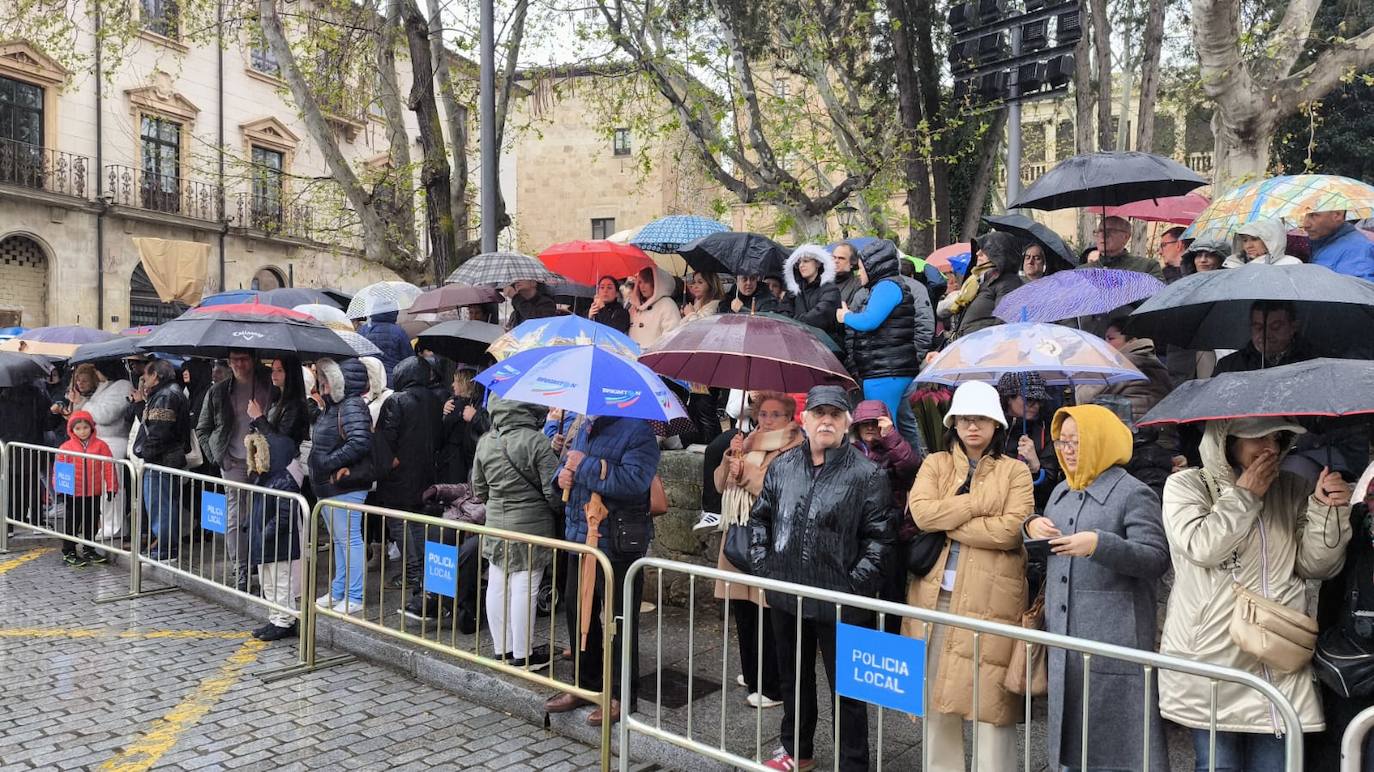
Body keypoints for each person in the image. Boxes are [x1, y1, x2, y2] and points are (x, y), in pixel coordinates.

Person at [1159, 417, 1351, 769]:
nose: (1270, 448)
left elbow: (1316, 565)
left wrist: (1329, 512)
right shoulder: (1186, 485)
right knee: (1218, 766)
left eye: (1277, 438)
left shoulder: (1291, 487)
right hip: (1213, 659)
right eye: (1258, 438)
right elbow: (1202, 547)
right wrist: (1244, 496)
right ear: (1227, 440)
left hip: (1278, 658)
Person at [747, 385, 892, 772]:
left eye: (835, 414)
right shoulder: (783, 466)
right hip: (787, 593)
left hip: (841, 600)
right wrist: (765, 567)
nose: (826, 421)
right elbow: (760, 519)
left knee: (848, 690)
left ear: (847, 423)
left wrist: (852, 586)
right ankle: (797, 751)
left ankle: (853, 764)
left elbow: (880, 541)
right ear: (805, 419)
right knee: (793, 679)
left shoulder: (868, 474)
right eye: (819, 413)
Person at [1024, 405, 1170, 771]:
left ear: (1101, 441)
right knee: (1071, 747)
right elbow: (1047, 547)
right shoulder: (1061, 490)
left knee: (1117, 751)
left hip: (1114, 643)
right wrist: (1031, 527)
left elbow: (1155, 558)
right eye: (1062, 442)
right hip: (1065, 642)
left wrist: (1100, 545)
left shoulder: (1133, 493)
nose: (1068, 450)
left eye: (1077, 441)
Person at [904, 380, 1032, 772]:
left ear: (996, 424)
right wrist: (979, 504)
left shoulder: (1015, 471)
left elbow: (1011, 531)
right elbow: (922, 514)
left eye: (981, 419)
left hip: (994, 601)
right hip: (935, 597)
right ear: (954, 424)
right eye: (964, 419)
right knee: (936, 699)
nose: (972, 426)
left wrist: (949, 520)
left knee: (992, 706)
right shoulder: (935, 464)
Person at [545, 412, 660, 727]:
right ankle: (586, 684)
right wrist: (560, 479)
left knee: (619, 621)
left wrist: (584, 466)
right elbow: (567, 468)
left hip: (618, 545)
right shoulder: (583, 427)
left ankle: (622, 695)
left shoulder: (639, 431)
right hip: (581, 538)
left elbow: (635, 481)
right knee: (577, 612)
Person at [713, 391, 802, 709]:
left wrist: (744, 473)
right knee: (744, 611)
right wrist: (730, 458)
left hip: (768, 539)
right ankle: (753, 673)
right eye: (763, 414)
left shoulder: (794, 448)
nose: (768, 420)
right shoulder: (747, 442)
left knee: (768, 616)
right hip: (739, 533)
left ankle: (772, 685)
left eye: (776, 414)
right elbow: (720, 485)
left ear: (789, 417)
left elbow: (777, 490)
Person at [471, 396, 561, 670]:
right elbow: (553, 492)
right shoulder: (537, 441)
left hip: (495, 523)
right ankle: (523, 655)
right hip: (532, 524)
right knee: (526, 586)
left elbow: (479, 488)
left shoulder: (486, 441)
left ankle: (502, 650)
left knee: (497, 583)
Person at [196, 349, 273, 589]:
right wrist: (218, 457)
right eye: (234, 360)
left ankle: (261, 563)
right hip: (233, 462)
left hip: (263, 461)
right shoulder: (218, 391)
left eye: (244, 359)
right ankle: (240, 567)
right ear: (228, 362)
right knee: (234, 517)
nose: (239, 364)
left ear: (253, 360)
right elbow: (203, 428)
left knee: (262, 514)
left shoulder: (269, 384)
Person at [374, 357, 442, 621]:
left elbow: (385, 439)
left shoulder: (397, 401)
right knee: (419, 528)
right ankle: (424, 579)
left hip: (399, 478)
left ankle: (415, 575)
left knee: (400, 527)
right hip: (425, 475)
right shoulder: (434, 400)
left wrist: (388, 464)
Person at [309, 357, 375, 614]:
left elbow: (360, 441)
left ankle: (354, 595)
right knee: (341, 540)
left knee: (349, 540)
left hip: (343, 485)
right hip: (331, 484)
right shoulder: (336, 405)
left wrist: (328, 462)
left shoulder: (350, 405)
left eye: (326, 377)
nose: (322, 382)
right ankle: (339, 590)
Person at [849, 399, 920, 634]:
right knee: (860, 590)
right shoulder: (848, 452)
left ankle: (890, 639)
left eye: (875, 422)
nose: (870, 427)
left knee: (892, 592)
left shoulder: (895, 449)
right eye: (865, 423)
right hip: (858, 533)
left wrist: (891, 437)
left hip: (892, 533)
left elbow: (911, 467)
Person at [836, 238, 919, 421]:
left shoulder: (886, 287)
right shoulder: (890, 285)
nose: (859, 273)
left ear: (873, 267)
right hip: (892, 369)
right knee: (900, 425)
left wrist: (845, 316)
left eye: (861, 268)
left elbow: (869, 321)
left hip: (885, 372)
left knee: (882, 424)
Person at [243, 425, 303, 641]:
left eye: (257, 453)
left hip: (278, 541)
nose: (254, 458)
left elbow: (284, 515)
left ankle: (285, 621)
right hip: (265, 540)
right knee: (267, 582)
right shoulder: (263, 479)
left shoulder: (283, 481)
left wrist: (266, 532)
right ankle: (275, 617)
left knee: (281, 581)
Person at [133, 359, 191, 561]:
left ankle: (165, 549)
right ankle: (165, 547)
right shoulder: (168, 392)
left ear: (155, 376)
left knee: (161, 506)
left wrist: (143, 451)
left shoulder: (165, 395)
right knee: (165, 505)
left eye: (145, 376)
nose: (143, 380)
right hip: (166, 458)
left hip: (161, 460)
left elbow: (159, 432)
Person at [1077, 316, 1174, 423]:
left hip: (1130, 428)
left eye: (1111, 339)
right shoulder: (1156, 363)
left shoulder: (1121, 365)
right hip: (1160, 426)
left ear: (1132, 341)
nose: (1105, 344)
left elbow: (1083, 397)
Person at [52, 411, 118, 567]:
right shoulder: (66, 447)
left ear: (92, 427)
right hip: (73, 494)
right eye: (78, 428)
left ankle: (89, 549)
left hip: (93, 492)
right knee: (72, 523)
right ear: (72, 430)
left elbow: (109, 467)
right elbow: (59, 471)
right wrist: (60, 491)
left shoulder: (101, 446)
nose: (82, 431)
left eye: (85, 427)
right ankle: (69, 551)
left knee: (91, 522)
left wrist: (111, 487)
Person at [997, 372, 1061, 511]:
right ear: (1009, 398)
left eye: (1039, 400)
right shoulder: (993, 428)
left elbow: (1050, 491)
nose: (1035, 405)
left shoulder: (1045, 431)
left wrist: (1036, 468)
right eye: (1029, 399)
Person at [1214, 300, 1314, 374]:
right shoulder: (1228, 367)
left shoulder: (1314, 363)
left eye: (1275, 327)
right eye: (1258, 327)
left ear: (1293, 327)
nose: (1265, 334)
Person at [954, 232, 1023, 337]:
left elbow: (1004, 325)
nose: (978, 253)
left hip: (984, 345)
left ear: (1000, 255)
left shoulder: (1009, 283)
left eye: (985, 250)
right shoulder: (982, 281)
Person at [437, 364, 489, 484]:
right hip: (459, 460)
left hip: (462, 461)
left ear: (464, 383)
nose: (452, 385)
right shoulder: (453, 403)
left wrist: (475, 417)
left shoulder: (480, 403)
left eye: (456, 381)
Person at [782, 244, 841, 347]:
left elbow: (819, 317)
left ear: (818, 263)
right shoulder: (793, 290)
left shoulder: (830, 289)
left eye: (806, 261)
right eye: (799, 262)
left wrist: (793, 321)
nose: (801, 265)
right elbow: (783, 312)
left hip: (824, 346)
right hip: (797, 343)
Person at [1083, 215, 1164, 277]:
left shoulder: (1147, 268)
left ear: (1126, 237)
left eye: (1109, 231)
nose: (1102, 235)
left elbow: (1159, 293)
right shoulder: (1083, 272)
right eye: (1099, 231)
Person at [1304, 209, 1374, 281]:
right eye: (1304, 215)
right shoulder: (1321, 239)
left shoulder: (1358, 250)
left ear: (1337, 215)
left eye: (1314, 215)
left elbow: (1358, 287)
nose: (1305, 225)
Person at [628, 265, 681, 349]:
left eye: (646, 282)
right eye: (640, 282)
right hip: (632, 354)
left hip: (654, 354)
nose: (642, 286)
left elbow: (671, 336)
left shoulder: (667, 304)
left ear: (656, 282)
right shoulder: (635, 307)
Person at [359, 310, 416, 383]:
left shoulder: (364, 330)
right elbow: (408, 359)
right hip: (392, 378)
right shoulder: (399, 331)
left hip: (368, 376)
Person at [1227, 218, 1302, 267]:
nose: (1248, 246)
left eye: (1254, 239)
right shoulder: (1235, 264)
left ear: (1272, 239)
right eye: (1245, 240)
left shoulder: (1290, 264)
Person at [830, 241, 865, 307]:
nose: (836, 261)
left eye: (841, 258)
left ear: (852, 263)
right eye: (834, 257)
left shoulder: (859, 284)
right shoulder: (823, 282)